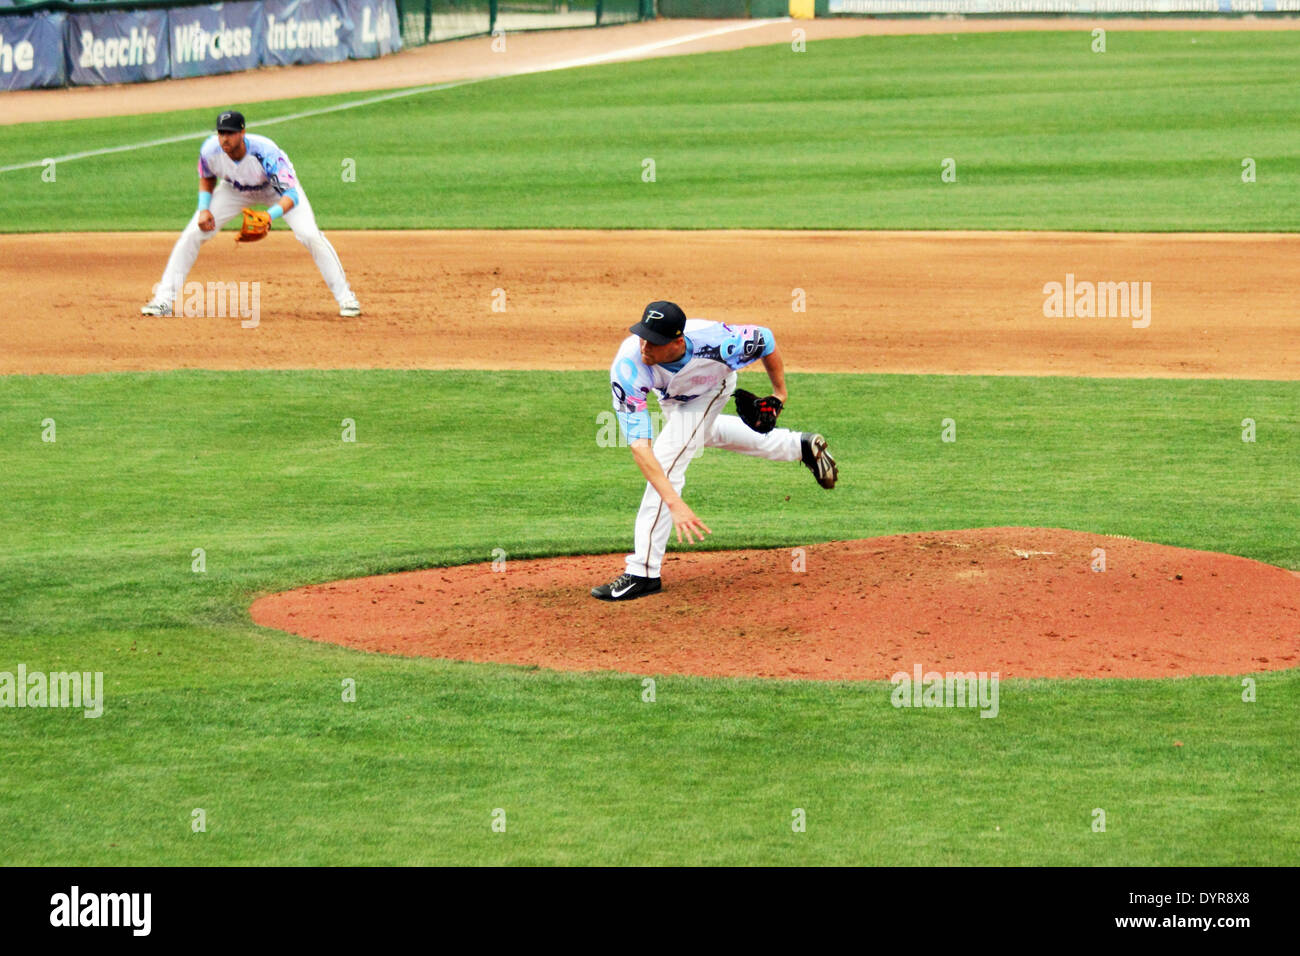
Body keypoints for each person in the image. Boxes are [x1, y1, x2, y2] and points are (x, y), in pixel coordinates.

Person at [592, 300, 838, 602]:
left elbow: (766, 340)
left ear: (677, 341)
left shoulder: (721, 343)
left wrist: (779, 394)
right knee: (698, 436)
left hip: (712, 387)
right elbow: (639, 446)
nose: (645, 346)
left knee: (669, 460)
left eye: (654, 342)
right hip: (672, 396)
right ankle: (798, 446)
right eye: (643, 336)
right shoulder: (629, 367)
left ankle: (643, 572)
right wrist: (674, 503)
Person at [140, 110, 360, 318]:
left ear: (242, 133)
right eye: (221, 133)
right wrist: (204, 208)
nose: (224, 138)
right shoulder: (210, 150)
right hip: (235, 191)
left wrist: (269, 216)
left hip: (275, 191)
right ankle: (163, 301)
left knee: (310, 234)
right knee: (192, 234)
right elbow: (207, 177)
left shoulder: (265, 151)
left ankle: (346, 299)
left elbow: (291, 195)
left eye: (230, 133)